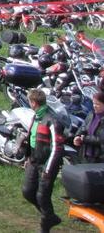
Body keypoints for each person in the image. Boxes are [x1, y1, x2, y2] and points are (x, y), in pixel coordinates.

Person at [22, 88, 64, 231]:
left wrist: (48, 169)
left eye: (29, 101)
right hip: (33, 160)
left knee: (42, 196)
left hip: (47, 164)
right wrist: (28, 157)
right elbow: (31, 138)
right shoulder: (36, 117)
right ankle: (49, 216)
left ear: (33, 103)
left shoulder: (52, 120)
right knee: (28, 191)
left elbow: (57, 148)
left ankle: (46, 224)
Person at [74, 90, 104, 163]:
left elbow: (101, 139)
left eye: (98, 104)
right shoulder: (91, 114)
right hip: (86, 155)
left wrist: (84, 139)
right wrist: (77, 136)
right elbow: (83, 127)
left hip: (100, 158)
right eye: (94, 103)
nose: (94, 106)